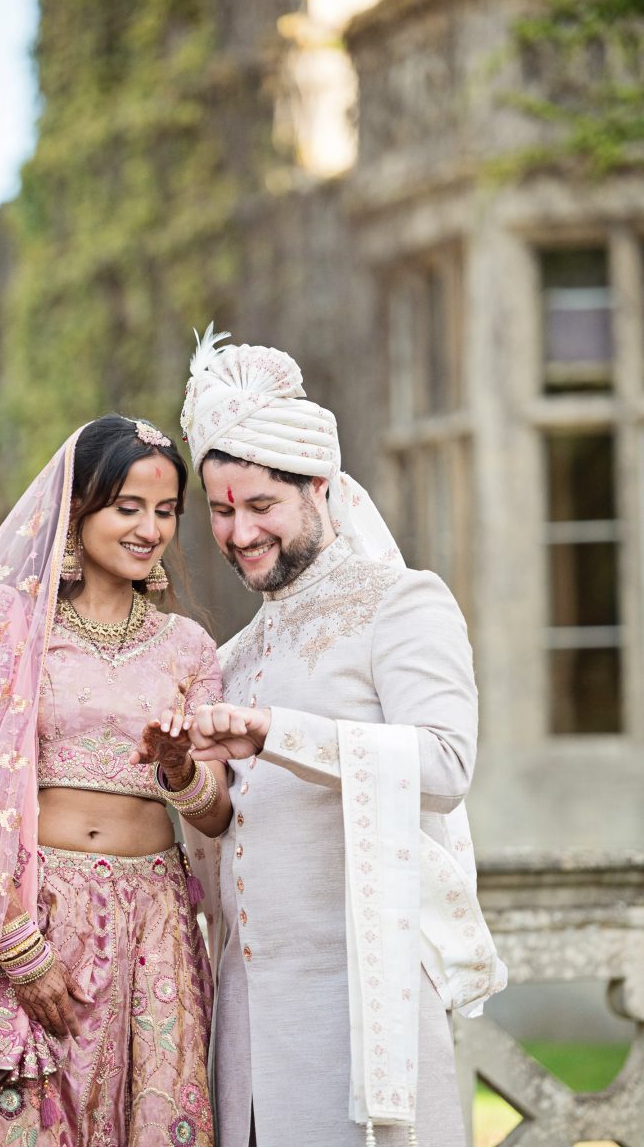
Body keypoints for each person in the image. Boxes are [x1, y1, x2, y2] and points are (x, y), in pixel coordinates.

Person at [176, 328, 507, 1147]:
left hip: (363, 1011)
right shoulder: (234, 654)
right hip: (248, 1034)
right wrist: (184, 778)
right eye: (221, 511)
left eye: (262, 506)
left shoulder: (402, 602)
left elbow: (446, 764)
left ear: (319, 488)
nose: (240, 533)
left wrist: (279, 733)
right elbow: (231, 836)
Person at [0, 414, 232, 1147]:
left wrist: (177, 768)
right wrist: (16, 938)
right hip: (40, 910)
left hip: (155, 926)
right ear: (76, 511)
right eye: (127, 507)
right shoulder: (8, 630)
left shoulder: (189, 647)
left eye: (166, 512)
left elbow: (216, 814)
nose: (149, 529)